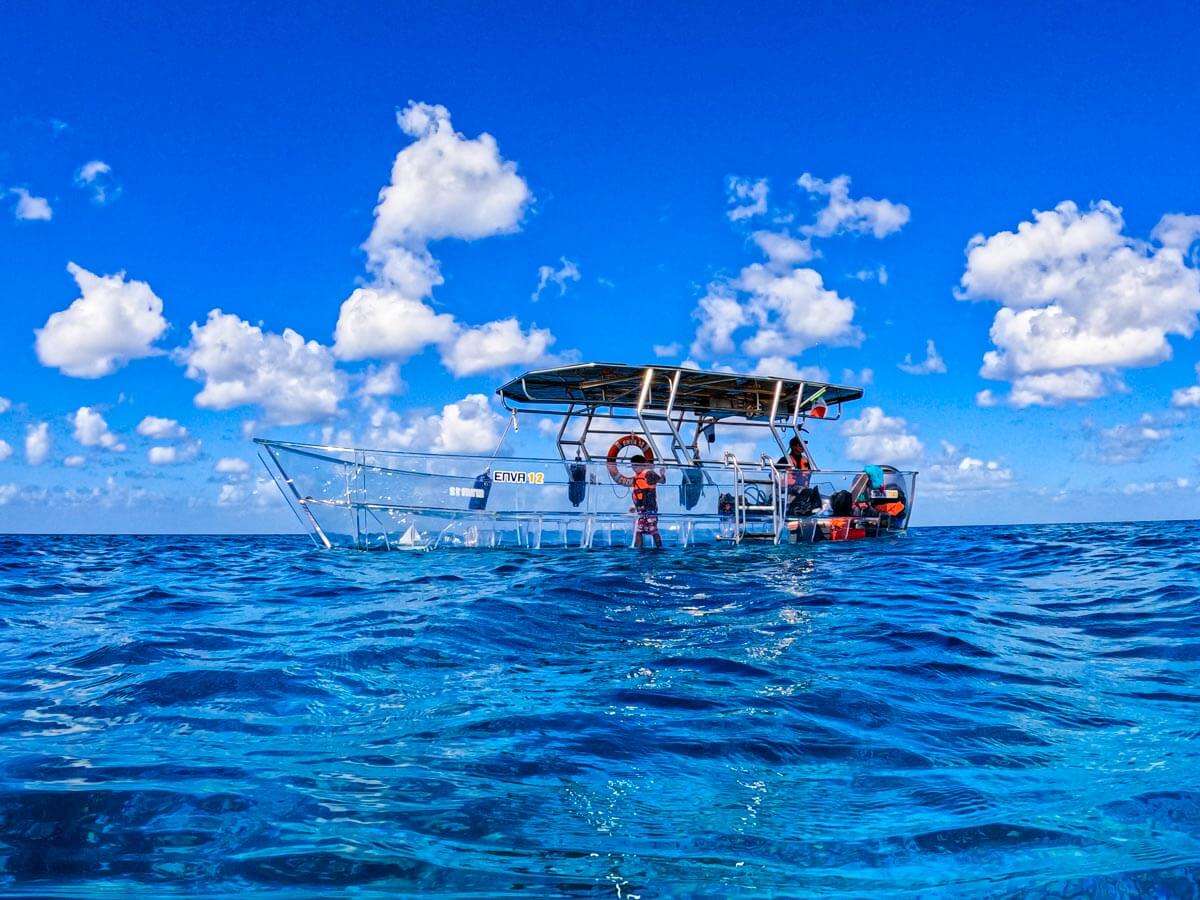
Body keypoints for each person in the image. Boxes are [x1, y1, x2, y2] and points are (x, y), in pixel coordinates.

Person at [629, 454, 664, 549]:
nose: (633, 468)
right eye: (632, 466)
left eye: (635, 466)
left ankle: (659, 549)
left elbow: (661, 481)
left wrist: (662, 474)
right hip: (640, 509)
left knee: (653, 529)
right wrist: (634, 506)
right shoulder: (637, 477)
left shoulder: (648, 473)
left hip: (649, 508)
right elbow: (638, 494)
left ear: (642, 465)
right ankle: (638, 550)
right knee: (638, 530)